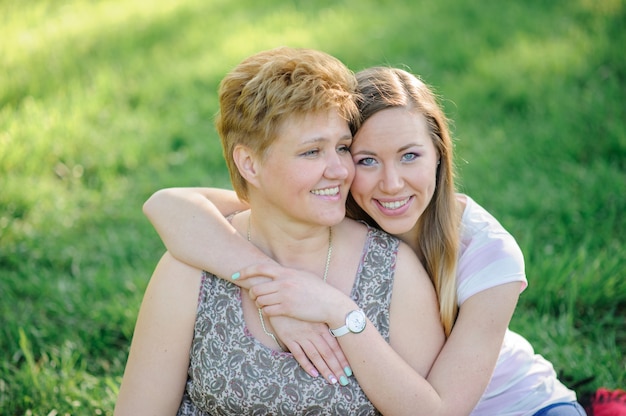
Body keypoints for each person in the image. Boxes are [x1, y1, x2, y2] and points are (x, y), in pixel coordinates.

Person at [143, 64, 588, 415]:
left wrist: (336, 309)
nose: (391, 184)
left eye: (410, 156)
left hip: (519, 406)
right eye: (366, 159)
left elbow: (442, 410)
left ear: (439, 156)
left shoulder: (490, 254)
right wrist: (274, 291)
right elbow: (168, 205)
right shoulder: (337, 201)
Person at [115, 47, 445, 415]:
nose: (339, 170)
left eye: (342, 147)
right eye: (311, 153)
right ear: (249, 164)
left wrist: (345, 317)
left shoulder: (392, 271)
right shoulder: (191, 267)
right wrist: (268, 285)